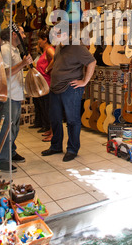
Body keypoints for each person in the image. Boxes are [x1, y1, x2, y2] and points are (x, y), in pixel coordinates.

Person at [41, 20, 96, 162]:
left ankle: (72, 149)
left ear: (64, 34)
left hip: (70, 89)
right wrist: (50, 69)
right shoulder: (59, 46)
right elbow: (59, 60)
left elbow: (92, 62)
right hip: (55, 88)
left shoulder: (77, 47)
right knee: (55, 119)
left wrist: (84, 81)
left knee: (72, 120)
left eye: (56, 33)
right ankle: (56, 146)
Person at [0, 25, 33, 172]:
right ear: (14, 34)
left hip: (15, 94)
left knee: (14, 128)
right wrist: (23, 64)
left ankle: (10, 151)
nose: (24, 36)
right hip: (7, 95)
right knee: (6, 128)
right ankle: (1, 159)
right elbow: (3, 72)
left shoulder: (14, 50)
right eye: (22, 33)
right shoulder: (5, 50)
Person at [33, 28, 55, 141]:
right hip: (43, 84)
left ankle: (53, 134)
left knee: (49, 109)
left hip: (47, 84)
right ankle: (50, 130)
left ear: (45, 39)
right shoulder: (45, 51)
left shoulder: (49, 50)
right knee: (46, 109)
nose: (38, 42)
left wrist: (47, 69)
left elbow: (56, 58)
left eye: (39, 39)